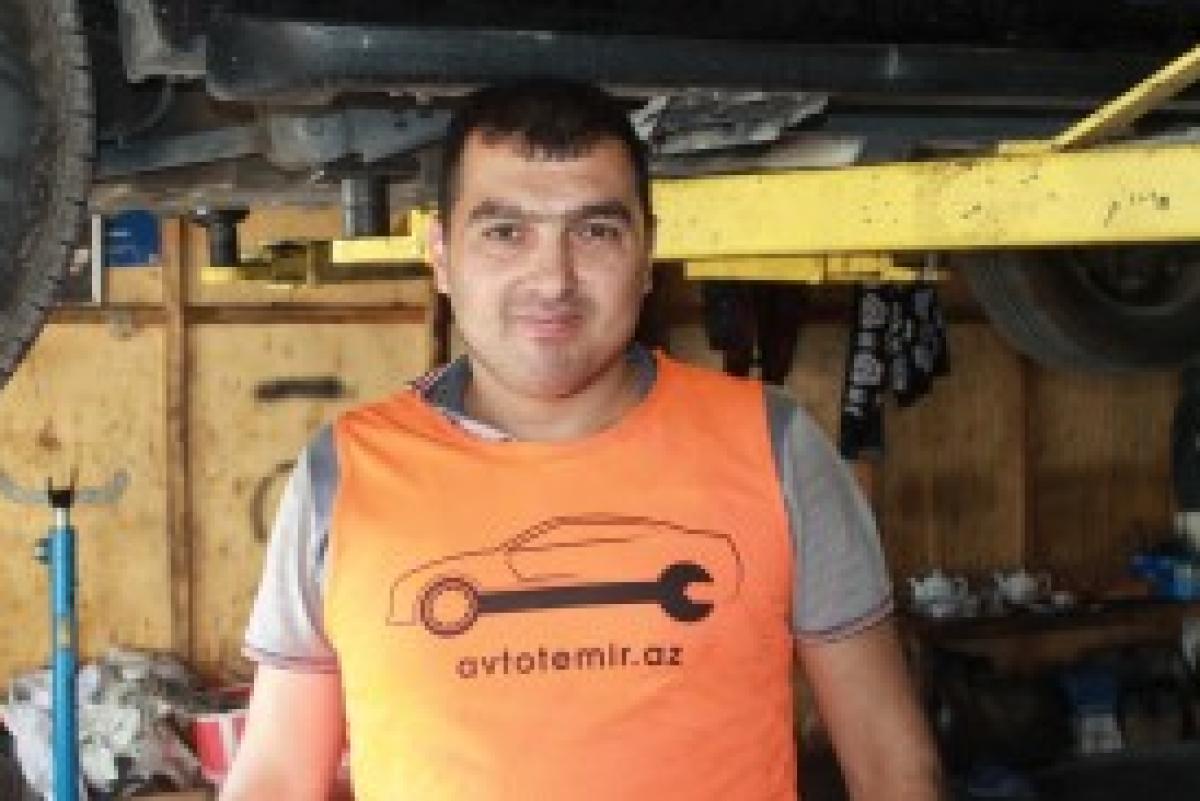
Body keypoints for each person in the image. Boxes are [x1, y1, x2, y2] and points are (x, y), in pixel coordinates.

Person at [221, 79, 944, 801]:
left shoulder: (773, 444)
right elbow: (277, 776)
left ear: (646, 251)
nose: (553, 279)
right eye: (506, 232)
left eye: (595, 231)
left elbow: (893, 767)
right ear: (441, 254)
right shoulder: (345, 470)